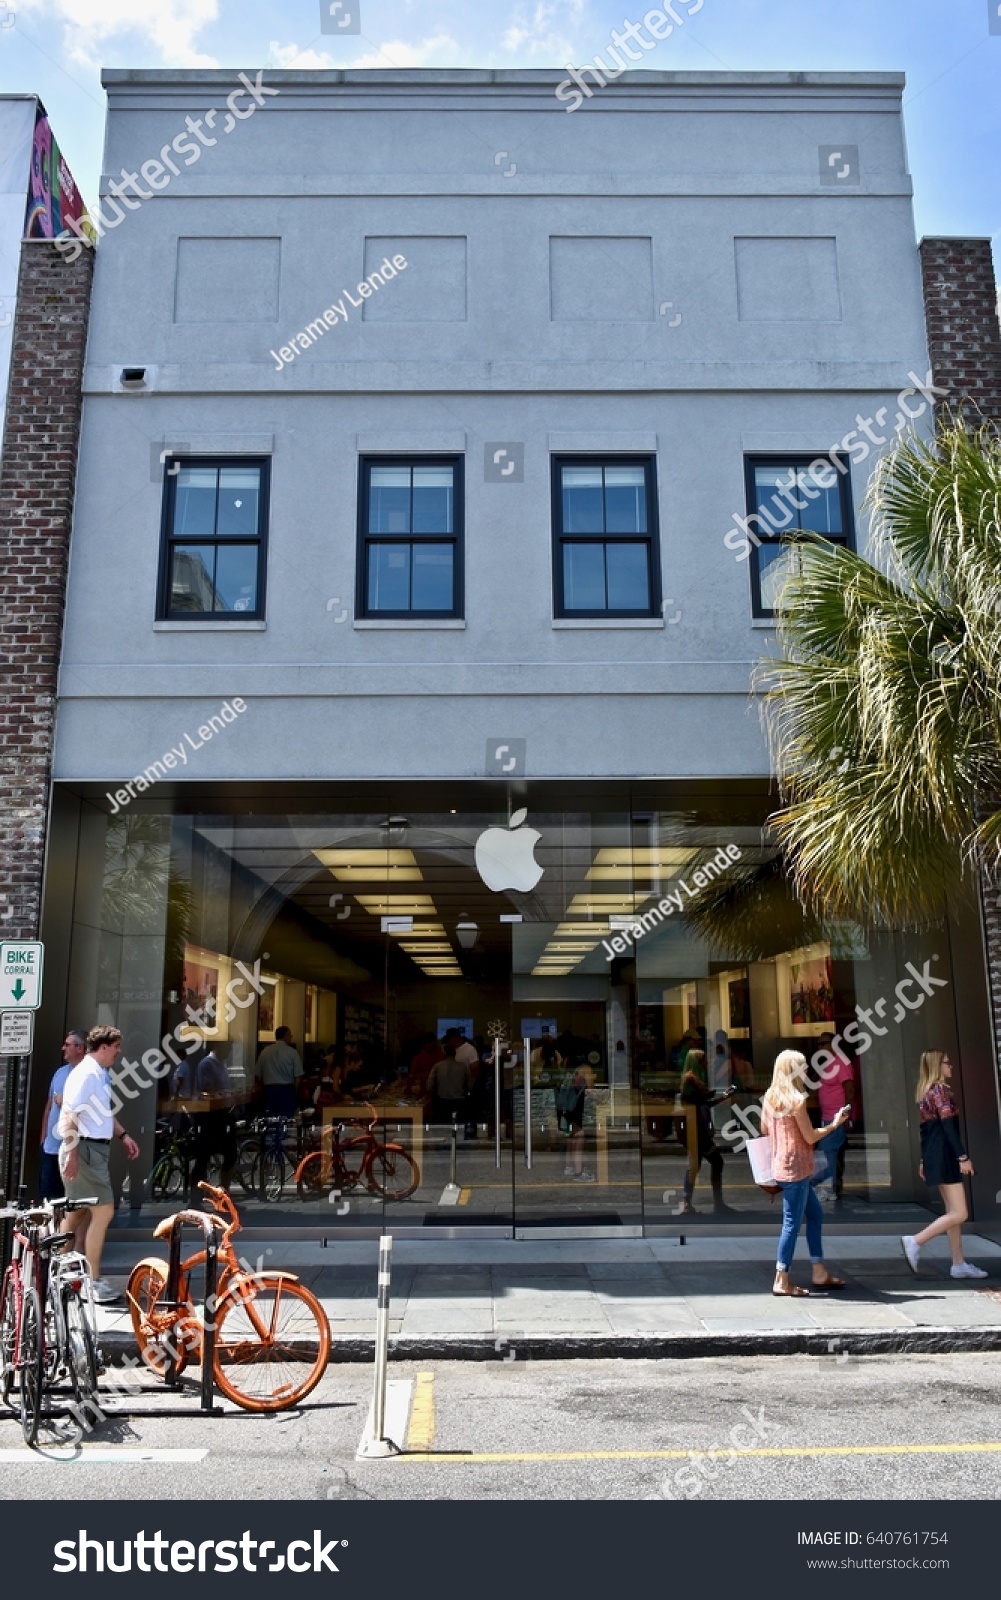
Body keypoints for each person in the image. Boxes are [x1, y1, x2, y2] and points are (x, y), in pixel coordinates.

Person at [58, 1024, 140, 1302]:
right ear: (103, 1047)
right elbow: (70, 1115)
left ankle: (56, 1273)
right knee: (103, 1212)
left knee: (76, 1215)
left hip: (89, 1150)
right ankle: (92, 1282)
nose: (119, 1052)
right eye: (116, 1047)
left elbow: (102, 1115)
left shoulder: (97, 1074)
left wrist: (123, 1135)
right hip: (85, 1151)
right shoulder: (88, 1074)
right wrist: (71, 1154)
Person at [762, 1049, 851, 1297]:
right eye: (803, 1067)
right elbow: (810, 1136)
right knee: (791, 1223)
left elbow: (764, 1128)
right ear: (793, 1071)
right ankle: (782, 1278)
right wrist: (834, 1124)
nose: (807, 1071)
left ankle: (819, 1270)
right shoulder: (796, 1100)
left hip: (781, 1163)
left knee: (815, 1214)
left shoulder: (770, 1097)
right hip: (797, 1167)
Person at [901, 1050, 987, 1280]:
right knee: (960, 1213)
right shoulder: (940, 1092)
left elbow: (927, 1131)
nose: (951, 1066)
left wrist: (923, 1159)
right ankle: (915, 1241)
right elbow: (948, 1127)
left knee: (952, 1212)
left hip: (934, 1155)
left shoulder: (926, 1092)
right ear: (937, 1066)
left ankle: (958, 1264)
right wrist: (963, 1157)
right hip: (945, 1155)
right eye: (947, 1063)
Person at [679, 1048, 734, 1214]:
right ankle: (716, 1203)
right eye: (703, 1060)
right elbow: (705, 1096)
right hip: (696, 1129)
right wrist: (719, 1094)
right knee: (714, 1162)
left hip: (695, 1128)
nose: (706, 1063)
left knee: (695, 1166)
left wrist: (723, 1097)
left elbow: (704, 1102)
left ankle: (689, 1203)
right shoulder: (691, 1077)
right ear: (696, 1061)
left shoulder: (690, 1078)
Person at [38, 1028, 87, 1200]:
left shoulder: (90, 1074)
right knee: (48, 1200)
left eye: (67, 1045)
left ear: (79, 1048)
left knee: (73, 1202)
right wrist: (43, 1139)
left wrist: (67, 1101)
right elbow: (49, 1107)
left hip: (73, 1151)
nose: (63, 1048)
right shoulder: (59, 1073)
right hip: (50, 1149)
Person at [813, 1031, 855, 1203]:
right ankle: (831, 1188)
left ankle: (822, 1187)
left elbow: (850, 1089)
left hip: (836, 1119)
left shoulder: (841, 1063)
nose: (820, 1048)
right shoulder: (828, 1064)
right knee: (829, 1155)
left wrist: (845, 1115)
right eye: (819, 1045)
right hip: (828, 1117)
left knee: (827, 1155)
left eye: (823, 1044)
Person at [189, 1045, 238, 1191]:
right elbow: (207, 1090)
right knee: (203, 1157)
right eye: (228, 1048)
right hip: (208, 1116)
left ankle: (223, 1192)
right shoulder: (207, 1064)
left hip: (221, 1114)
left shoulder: (221, 1064)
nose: (229, 1051)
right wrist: (223, 1095)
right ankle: (196, 1195)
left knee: (230, 1153)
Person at [556, 1061, 595, 1181]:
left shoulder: (571, 1080)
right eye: (590, 1074)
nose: (592, 1076)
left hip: (566, 1117)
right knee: (578, 1140)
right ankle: (578, 1173)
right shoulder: (580, 1081)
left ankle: (570, 1167)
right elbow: (591, 1091)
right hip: (572, 1119)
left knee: (571, 1141)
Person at [254, 1025, 303, 1118]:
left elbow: (258, 1075)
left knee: (270, 1119)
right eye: (290, 1035)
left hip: (270, 1091)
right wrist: (294, 1092)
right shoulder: (292, 1052)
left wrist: (264, 1087)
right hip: (287, 1090)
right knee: (286, 1120)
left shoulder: (265, 1052)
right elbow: (298, 1077)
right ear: (285, 1036)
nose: (291, 1038)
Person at [427, 1040, 472, 1128]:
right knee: (460, 1128)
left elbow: (429, 1086)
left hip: (442, 1103)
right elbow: (470, 1085)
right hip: (459, 1103)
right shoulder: (463, 1067)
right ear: (455, 1053)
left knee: (442, 1127)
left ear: (444, 1053)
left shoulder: (437, 1066)